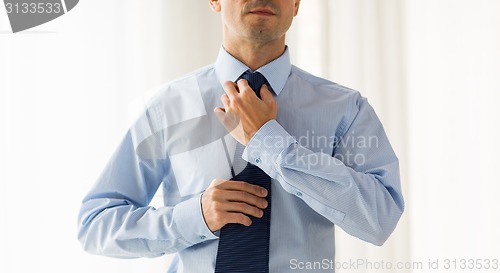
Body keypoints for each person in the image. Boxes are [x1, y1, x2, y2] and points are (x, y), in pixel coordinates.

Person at [77, 0, 404, 272]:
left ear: (296, 4)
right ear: (215, 1)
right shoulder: (168, 108)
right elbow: (95, 225)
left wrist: (270, 142)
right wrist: (196, 217)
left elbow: (379, 219)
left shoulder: (346, 109)